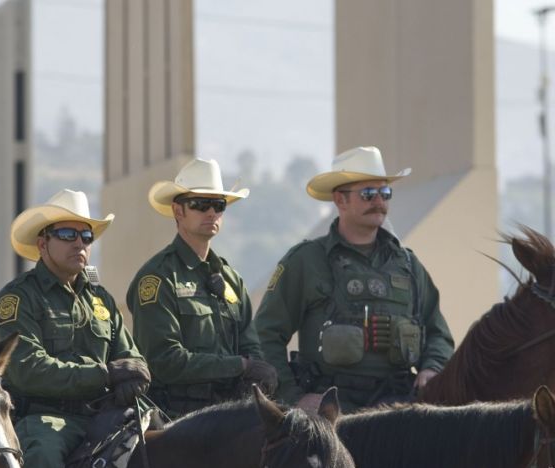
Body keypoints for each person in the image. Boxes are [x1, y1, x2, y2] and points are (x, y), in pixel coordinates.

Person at [0, 189, 150, 468]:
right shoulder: (17, 300)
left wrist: (135, 374)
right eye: (68, 234)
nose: (80, 243)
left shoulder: (101, 300)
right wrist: (105, 375)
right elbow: (28, 369)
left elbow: (131, 354)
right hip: (46, 419)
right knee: (41, 463)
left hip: (107, 416)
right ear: (42, 243)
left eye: (86, 236)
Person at [254, 146, 453, 411]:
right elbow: (265, 335)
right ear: (340, 200)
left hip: (398, 410)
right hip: (331, 411)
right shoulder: (306, 260)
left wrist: (432, 368)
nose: (379, 202)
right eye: (368, 194)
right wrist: (295, 396)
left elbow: (437, 332)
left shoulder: (408, 265)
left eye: (385, 193)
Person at [127, 158, 277, 417]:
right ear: (178, 211)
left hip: (230, 413)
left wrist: (256, 369)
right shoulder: (158, 277)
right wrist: (239, 366)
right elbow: (164, 361)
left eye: (218, 205)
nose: (211, 213)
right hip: (176, 417)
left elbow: (250, 346)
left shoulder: (231, 279)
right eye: (200, 204)